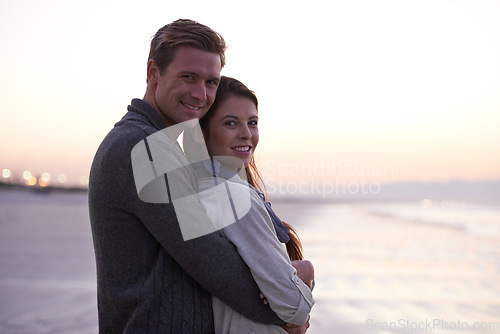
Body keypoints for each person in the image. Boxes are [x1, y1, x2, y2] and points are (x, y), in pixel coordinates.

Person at [89, 19, 286, 333]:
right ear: (154, 73)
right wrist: (289, 303)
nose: (200, 94)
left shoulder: (164, 144)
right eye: (188, 77)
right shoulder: (142, 148)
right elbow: (213, 264)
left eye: (210, 82)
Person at [186, 76, 315, 333]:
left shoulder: (197, 190)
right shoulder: (234, 196)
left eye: (252, 123)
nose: (246, 134)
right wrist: (306, 271)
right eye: (230, 123)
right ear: (203, 133)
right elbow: (294, 307)